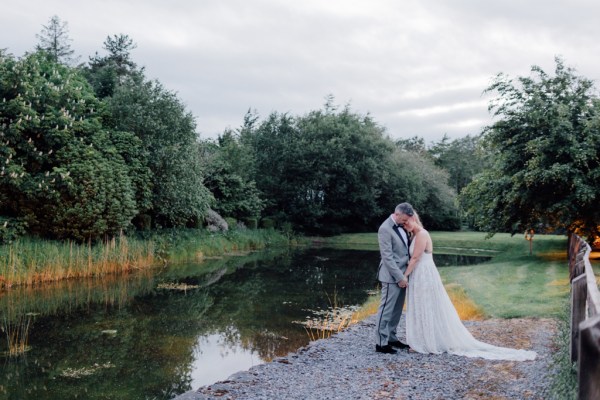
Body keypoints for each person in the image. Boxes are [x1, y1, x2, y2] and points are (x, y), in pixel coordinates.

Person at [402, 211, 537, 361]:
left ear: (413, 218)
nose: (405, 225)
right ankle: (424, 340)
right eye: (403, 223)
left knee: (428, 305)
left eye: (407, 221)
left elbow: (415, 258)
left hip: (424, 274)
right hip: (419, 273)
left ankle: (429, 343)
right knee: (422, 305)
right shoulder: (413, 235)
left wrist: (404, 276)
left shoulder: (421, 234)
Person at [373, 202, 414, 354]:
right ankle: (380, 343)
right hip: (391, 277)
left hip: (403, 275)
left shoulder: (402, 226)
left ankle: (391, 337)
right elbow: (387, 257)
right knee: (386, 310)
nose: (406, 222)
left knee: (396, 311)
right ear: (397, 213)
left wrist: (406, 275)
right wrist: (399, 277)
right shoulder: (385, 229)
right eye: (404, 219)